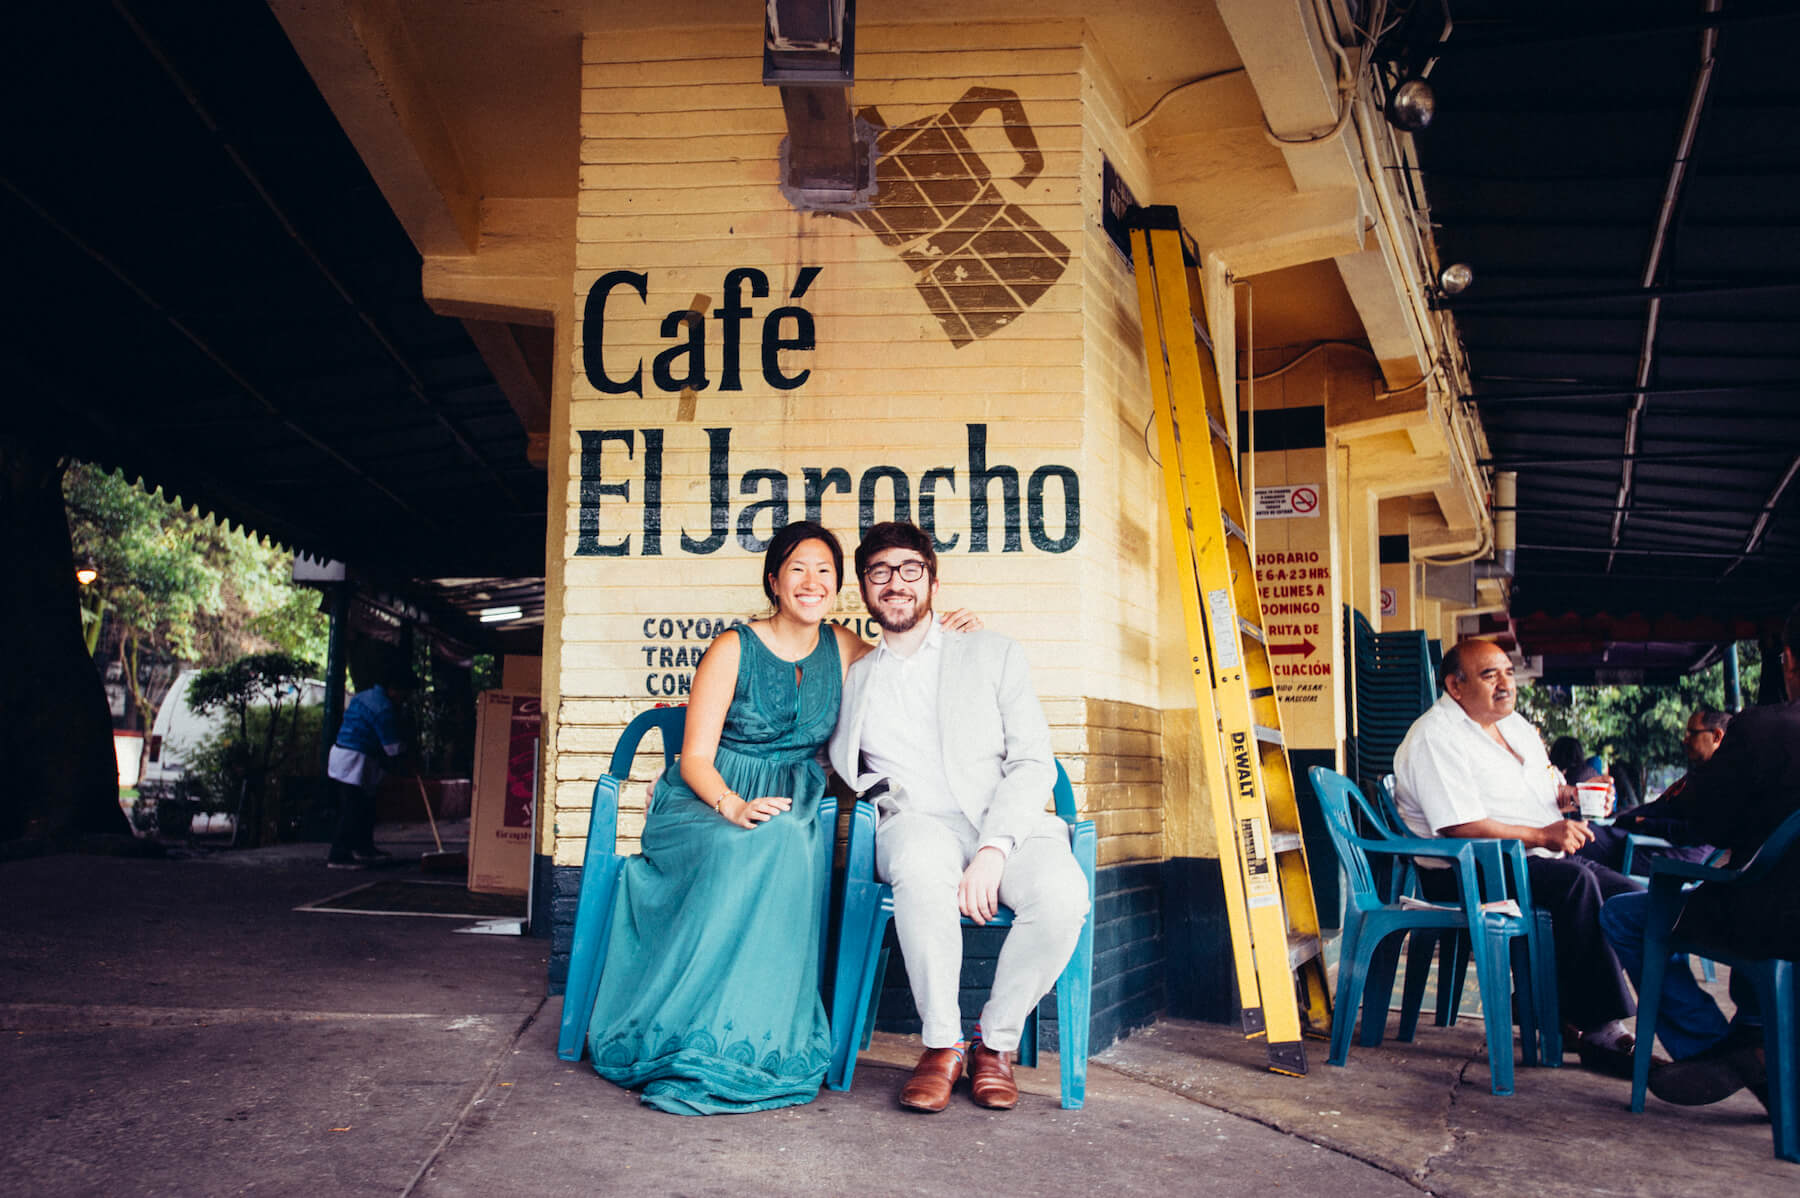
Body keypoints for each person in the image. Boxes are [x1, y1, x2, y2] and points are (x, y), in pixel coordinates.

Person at [582, 520, 979, 1115]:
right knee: (757, 840)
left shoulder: (843, 646)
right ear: (774, 580)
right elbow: (693, 756)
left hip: (794, 796)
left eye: (824, 571)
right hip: (711, 795)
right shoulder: (732, 647)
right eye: (797, 569)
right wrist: (730, 804)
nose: (811, 581)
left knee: (789, 834)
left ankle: (756, 1036)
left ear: (839, 585)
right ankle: (697, 1032)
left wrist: (953, 634)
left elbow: (908, 669)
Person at [827, 522, 1090, 1112]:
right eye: (880, 573)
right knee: (920, 866)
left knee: (1061, 895)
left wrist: (995, 848)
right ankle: (941, 1045)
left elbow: (1031, 760)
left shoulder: (992, 652)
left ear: (933, 582)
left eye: (909, 570)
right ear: (865, 592)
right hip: (914, 822)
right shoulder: (853, 676)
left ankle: (992, 1044)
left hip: (1006, 822)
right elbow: (810, 746)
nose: (895, 583)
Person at [1393, 639, 1643, 1075]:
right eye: (1490, 675)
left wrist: (1568, 797)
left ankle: (1556, 1003)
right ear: (1455, 685)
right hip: (1466, 869)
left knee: (1627, 894)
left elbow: (1540, 790)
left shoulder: (1515, 726)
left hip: (1530, 856)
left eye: (1508, 672)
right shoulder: (1435, 736)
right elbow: (1459, 826)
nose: (1505, 683)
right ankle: (1602, 1030)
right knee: (1576, 886)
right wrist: (1543, 832)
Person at [1600, 608, 1800, 1108]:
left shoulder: (1762, 729)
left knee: (1625, 915)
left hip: (1770, 920)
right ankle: (1754, 1036)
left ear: (1789, 659)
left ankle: (1725, 1049)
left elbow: (1708, 825)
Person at [1581, 708, 1730, 872]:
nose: (1685, 740)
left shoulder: (1717, 782)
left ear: (1716, 736)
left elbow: (1692, 833)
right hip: (1637, 841)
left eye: (1692, 733)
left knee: (1575, 838)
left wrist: (1643, 823)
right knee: (1574, 833)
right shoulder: (1700, 775)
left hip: (1655, 853)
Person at [325, 669, 416, 868]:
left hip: (346, 756)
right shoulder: (383, 708)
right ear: (394, 690)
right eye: (404, 694)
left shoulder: (364, 696)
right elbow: (391, 747)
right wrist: (406, 759)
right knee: (352, 809)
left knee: (365, 807)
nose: (404, 699)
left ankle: (363, 848)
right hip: (354, 759)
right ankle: (338, 855)